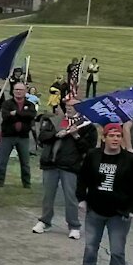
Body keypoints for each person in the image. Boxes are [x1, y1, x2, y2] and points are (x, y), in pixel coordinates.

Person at [75, 123, 133, 265]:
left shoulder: (132, 159)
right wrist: (82, 199)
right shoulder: (93, 155)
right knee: (91, 246)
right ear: (104, 138)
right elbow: (82, 179)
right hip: (95, 210)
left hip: (119, 214)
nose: (115, 139)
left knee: (117, 251)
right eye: (112, 136)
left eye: (118, 136)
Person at [34, 100, 96, 239]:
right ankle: (45, 221)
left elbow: (89, 148)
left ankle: (74, 225)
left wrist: (76, 136)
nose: (69, 108)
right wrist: (56, 134)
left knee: (71, 197)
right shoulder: (54, 121)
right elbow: (42, 137)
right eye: (67, 106)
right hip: (50, 163)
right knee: (47, 196)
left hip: (70, 165)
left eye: (72, 106)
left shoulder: (86, 125)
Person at [0, 82, 37, 188]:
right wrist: (22, 116)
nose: (18, 92)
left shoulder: (30, 104)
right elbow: (6, 116)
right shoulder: (7, 103)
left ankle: (26, 184)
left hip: (23, 137)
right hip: (8, 136)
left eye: (20, 90)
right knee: (2, 162)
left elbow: (31, 115)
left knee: (25, 163)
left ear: (25, 91)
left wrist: (16, 113)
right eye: (16, 89)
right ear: (13, 91)